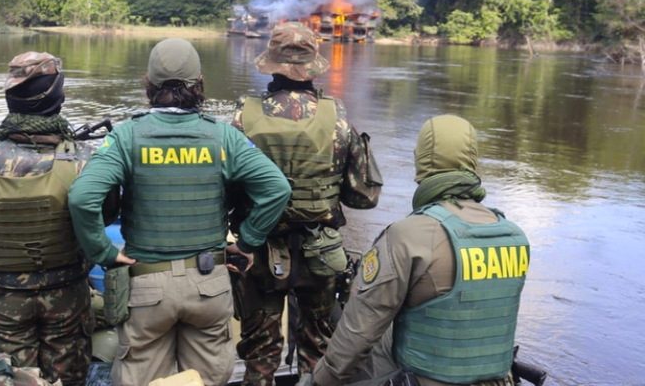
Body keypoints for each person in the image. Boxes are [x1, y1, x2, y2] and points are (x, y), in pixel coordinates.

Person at [67, 38, 292, 386]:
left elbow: (82, 198)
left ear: (150, 85)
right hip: (209, 286)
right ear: (200, 82)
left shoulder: (127, 136)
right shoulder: (223, 137)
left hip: (145, 288)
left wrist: (104, 253)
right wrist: (247, 242)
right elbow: (277, 189)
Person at [0, 51, 119, 386]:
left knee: (9, 379)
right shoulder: (88, 162)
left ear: (11, 99)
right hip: (68, 301)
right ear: (58, 97)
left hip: (0, 305)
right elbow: (105, 220)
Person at [310, 115, 530, 386]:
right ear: (473, 160)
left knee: (371, 331)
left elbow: (356, 339)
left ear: (421, 162)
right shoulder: (514, 236)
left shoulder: (406, 235)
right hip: (500, 380)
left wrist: (316, 382)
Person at [230, 22, 383, 385]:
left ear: (272, 64)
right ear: (312, 67)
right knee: (319, 353)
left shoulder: (242, 117)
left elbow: (227, 189)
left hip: (260, 256)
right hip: (321, 255)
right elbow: (364, 197)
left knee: (259, 354)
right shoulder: (339, 117)